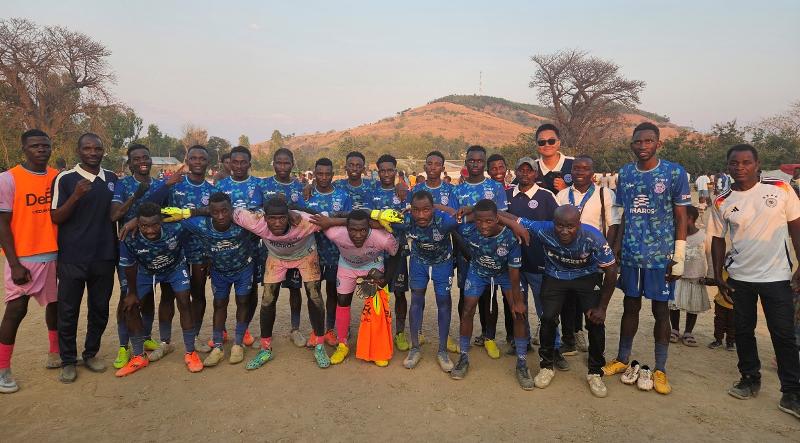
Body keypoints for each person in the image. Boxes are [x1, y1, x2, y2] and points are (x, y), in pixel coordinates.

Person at [709, 144, 800, 419]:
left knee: (783, 333)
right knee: (744, 330)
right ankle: (749, 378)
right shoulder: (721, 200)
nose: (740, 167)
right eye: (734, 163)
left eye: (746, 162)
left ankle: (792, 392)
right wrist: (717, 275)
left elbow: (796, 227)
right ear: (728, 166)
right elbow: (716, 238)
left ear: (757, 164)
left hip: (777, 276)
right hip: (740, 278)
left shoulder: (781, 189)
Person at [602, 122, 690, 395]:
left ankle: (660, 368)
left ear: (658, 144)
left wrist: (679, 255)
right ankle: (622, 358)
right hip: (630, 252)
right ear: (632, 144)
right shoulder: (625, 173)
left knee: (661, 311)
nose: (643, 146)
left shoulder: (674, 172)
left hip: (660, 256)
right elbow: (619, 212)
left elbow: (681, 216)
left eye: (648, 141)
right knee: (630, 306)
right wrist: (614, 246)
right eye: (638, 142)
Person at [508, 205, 618, 397]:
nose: (564, 231)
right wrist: (474, 210)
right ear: (553, 223)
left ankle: (595, 372)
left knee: (595, 321)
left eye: (570, 226)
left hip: (586, 277)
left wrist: (603, 307)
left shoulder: (593, 237)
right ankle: (547, 366)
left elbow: (610, 271)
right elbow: (509, 216)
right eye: (559, 226)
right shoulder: (543, 228)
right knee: (548, 318)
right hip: (555, 276)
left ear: (579, 224)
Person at [51, 133, 120, 383]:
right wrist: (76, 196)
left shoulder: (111, 178)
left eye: (97, 148)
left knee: (99, 309)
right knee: (68, 311)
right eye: (87, 148)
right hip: (72, 256)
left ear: (103, 151)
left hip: (104, 255)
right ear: (78, 151)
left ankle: (90, 353)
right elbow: (56, 217)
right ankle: (68, 360)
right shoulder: (65, 179)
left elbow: (116, 213)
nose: (93, 152)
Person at [230, 198, 330, 370]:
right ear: (264, 217)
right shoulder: (255, 221)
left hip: (306, 255)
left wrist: (295, 210)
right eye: (272, 218)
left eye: (282, 218)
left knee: (315, 296)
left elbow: (330, 218)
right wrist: (188, 213)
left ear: (288, 217)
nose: (277, 223)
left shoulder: (305, 221)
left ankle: (320, 345)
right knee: (267, 300)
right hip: (277, 258)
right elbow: (225, 210)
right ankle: (265, 348)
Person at [110, 144, 181, 368]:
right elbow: (115, 215)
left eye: (146, 157)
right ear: (129, 163)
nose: (142, 161)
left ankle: (145, 337)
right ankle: (123, 347)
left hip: (155, 252)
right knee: (128, 300)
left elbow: (167, 215)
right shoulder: (123, 185)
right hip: (130, 251)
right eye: (136, 158)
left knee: (148, 297)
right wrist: (135, 201)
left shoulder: (162, 184)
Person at [0, 129, 61, 393]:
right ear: (23, 149)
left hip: (55, 255)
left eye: (45, 146)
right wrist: (14, 263)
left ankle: (55, 354)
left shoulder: (57, 178)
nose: (41, 150)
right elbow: (2, 224)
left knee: (56, 307)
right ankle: (3, 369)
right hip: (24, 259)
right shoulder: (8, 179)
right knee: (16, 311)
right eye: (35, 146)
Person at [449, 199, 531, 389]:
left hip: (504, 274)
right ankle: (463, 357)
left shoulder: (510, 238)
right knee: (467, 309)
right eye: (479, 221)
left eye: (489, 221)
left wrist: (518, 302)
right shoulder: (468, 229)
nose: (483, 226)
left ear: (498, 220)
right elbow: (449, 215)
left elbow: (514, 273)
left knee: (518, 312)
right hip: (478, 272)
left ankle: (521, 362)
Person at [168, 192, 257, 367]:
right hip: (219, 272)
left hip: (243, 269)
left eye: (225, 211)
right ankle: (217, 346)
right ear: (209, 211)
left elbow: (265, 219)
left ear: (232, 209)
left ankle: (238, 344)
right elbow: (166, 217)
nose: (221, 216)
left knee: (243, 302)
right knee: (219, 304)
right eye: (215, 212)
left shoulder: (243, 222)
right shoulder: (201, 224)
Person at [115, 202, 202, 376]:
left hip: (175, 269)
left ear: (161, 221)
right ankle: (139, 356)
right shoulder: (129, 237)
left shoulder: (176, 227)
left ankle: (191, 352)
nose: (150, 230)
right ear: (138, 224)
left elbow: (203, 217)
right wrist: (131, 293)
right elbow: (129, 266)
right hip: (145, 272)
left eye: (155, 224)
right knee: (130, 306)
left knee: (184, 302)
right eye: (144, 226)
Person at [310, 209, 402, 366]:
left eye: (363, 230)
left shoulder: (382, 238)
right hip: (347, 267)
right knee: (343, 302)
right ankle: (342, 345)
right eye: (353, 230)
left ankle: (377, 349)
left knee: (376, 307)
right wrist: (332, 220)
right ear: (346, 228)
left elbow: (396, 252)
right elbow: (313, 216)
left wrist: (386, 279)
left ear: (369, 228)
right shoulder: (335, 233)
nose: (358, 235)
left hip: (372, 266)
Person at [555, 155, 621, 357]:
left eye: (585, 169)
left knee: (591, 304)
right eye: (576, 168)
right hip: (566, 259)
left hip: (593, 260)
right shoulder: (562, 195)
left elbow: (613, 226)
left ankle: (594, 350)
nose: (580, 172)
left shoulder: (605, 194)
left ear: (593, 173)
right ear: (571, 171)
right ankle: (569, 339)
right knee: (567, 302)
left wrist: (607, 254)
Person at [452, 145, 509, 359]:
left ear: (484, 163)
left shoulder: (495, 187)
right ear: (466, 163)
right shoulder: (456, 190)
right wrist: (464, 249)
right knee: (466, 295)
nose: (475, 164)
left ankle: (489, 337)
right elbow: (453, 224)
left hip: (491, 250)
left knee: (489, 294)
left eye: (479, 160)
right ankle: (464, 336)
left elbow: (503, 216)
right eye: (471, 160)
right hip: (465, 251)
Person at [164, 145, 217, 354]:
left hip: (200, 251)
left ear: (207, 163)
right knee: (170, 294)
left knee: (198, 294)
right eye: (193, 158)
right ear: (187, 160)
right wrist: (193, 213)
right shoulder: (175, 186)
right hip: (174, 248)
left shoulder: (213, 192)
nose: (197, 162)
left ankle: (193, 336)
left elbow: (214, 222)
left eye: (202, 159)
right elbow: (164, 215)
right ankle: (165, 340)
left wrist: (212, 254)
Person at [506, 157, 559, 361]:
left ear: (536, 174)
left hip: (539, 261)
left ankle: (553, 346)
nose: (525, 174)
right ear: (516, 172)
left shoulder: (546, 196)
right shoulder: (508, 194)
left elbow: (556, 225)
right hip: (514, 263)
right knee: (519, 305)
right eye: (521, 170)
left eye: (529, 171)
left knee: (545, 308)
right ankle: (523, 341)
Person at [401, 191, 460, 371]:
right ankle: (415, 348)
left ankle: (442, 350)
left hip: (443, 263)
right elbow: (374, 219)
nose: (421, 215)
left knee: (443, 302)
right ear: (410, 210)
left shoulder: (445, 220)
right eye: (416, 210)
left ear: (433, 209)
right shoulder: (405, 219)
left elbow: (472, 218)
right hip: (419, 263)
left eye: (426, 210)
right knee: (416, 301)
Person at [215, 146, 263, 350]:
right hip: (225, 249)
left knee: (249, 293)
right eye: (236, 162)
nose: (240, 166)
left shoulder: (259, 184)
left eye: (244, 162)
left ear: (249, 164)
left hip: (252, 248)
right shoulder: (221, 186)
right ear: (230, 163)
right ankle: (222, 331)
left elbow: (262, 211)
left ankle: (244, 330)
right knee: (222, 296)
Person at [260, 147, 307, 347]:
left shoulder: (299, 187)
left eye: (286, 163)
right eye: (279, 162)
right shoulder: (263, 185)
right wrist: (286, 212)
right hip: (272, 247)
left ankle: (295, 329)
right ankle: (265, 337)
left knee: (295, 290)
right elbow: (256, 210)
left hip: (295, 246)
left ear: (292, 164)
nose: (282, 167)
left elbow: (303, 211)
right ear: (273, 163)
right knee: (271, 292)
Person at [305, 158, 353, 347]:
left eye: (327, 174)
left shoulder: (342, 196)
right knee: (313, 293)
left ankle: (331, 329)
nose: (323, 177)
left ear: (333, 175)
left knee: (333, 292)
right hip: (311, 253)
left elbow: (350, 220)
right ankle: (316, 330)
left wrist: (331, 222)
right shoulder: (306, 195)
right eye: (320, 174)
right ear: (314, 175)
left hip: (335, 254)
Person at [368, 154, 411, 351]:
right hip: (375, 253)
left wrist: (394, 223)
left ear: (396, 170)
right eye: (382, 170)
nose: (386, 174)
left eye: (390, 170)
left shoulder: (404, 193)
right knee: (375, 291)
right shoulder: (371, 192)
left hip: (398, 252)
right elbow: (366, 219)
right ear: (378, 172)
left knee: (400, 293)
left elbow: (408, 221)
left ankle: (400, 333)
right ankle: (377, 331)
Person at [668, 205, 712, 347]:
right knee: (674, 305)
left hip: (696, 277)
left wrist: (711, 275)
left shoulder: (703, 236)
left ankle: (688, 332)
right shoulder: (676, 235)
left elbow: (710, 255)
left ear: (690, 219)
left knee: (693, 305)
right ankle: (674, 329)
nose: (676, 220)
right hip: (677, 277)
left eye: (679, 218)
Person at [534, 124, 574, 193]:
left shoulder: (574, 164)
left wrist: (566, 190)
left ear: (558, 143)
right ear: (537, 145)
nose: (547, 145)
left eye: (551, 141)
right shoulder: (530, 168)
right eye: (542, 142)